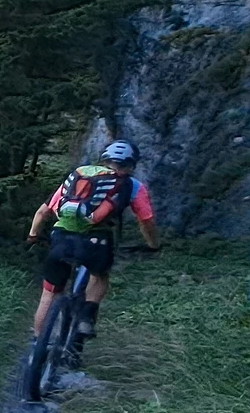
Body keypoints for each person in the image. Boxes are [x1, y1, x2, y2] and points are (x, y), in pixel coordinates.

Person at [25, 140, 161, 361]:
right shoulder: (132, 185)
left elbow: (43, 212)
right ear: (131, 165)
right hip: (97, 242)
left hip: (61, 238)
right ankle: (86, 318)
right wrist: (153, 245)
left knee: (49, 293)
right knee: (99, 275)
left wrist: (32, 235)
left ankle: (36, 346)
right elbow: (146, 221)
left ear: (103, 158)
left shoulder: (79, 176)